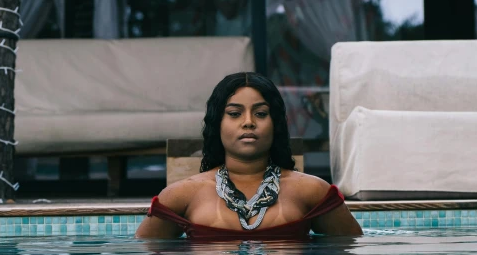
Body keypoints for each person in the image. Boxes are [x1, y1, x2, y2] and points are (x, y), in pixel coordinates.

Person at [135, 72, 362, 240]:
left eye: (261, 113)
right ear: (218, 124)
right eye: (234, 114)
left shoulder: (312, 191)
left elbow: (352, 254)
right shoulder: (181, 195)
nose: (248, 122)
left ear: (276, 124)